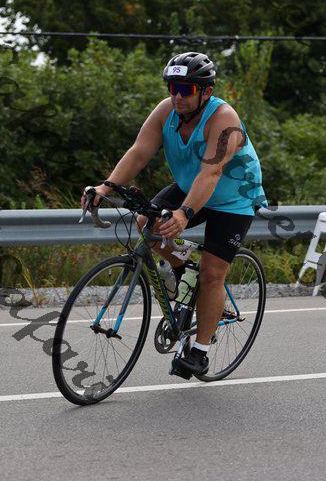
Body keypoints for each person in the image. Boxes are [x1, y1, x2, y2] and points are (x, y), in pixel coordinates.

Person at [82, 51, 267, 375]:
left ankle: (200, 351)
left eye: (186, 90)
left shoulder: (224, 119)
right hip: (190, 184)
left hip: (234, 197)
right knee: (146, 223)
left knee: (212, 273)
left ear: (206, 92)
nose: (177, 96)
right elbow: (139, 152)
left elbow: (212, 172)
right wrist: (105, 187)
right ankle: (183, 268)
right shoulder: (166, 111)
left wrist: (183, 214)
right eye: (173, 88)